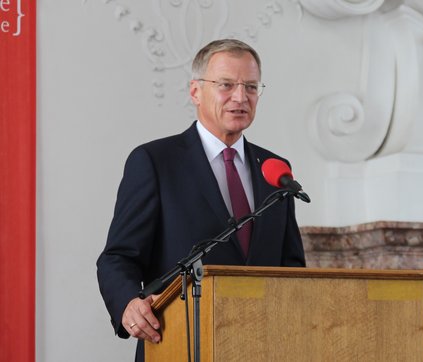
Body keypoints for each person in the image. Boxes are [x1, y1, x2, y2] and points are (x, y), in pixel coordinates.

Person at [96, 39, 306, 361]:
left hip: (261, 347)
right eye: (226, 85)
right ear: (195, 92)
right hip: (178, 342)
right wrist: (127, 303)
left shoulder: (274, 170)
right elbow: (118, 257)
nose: (240, 97)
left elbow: (291, 267)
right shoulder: (155, 162)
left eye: (251, 86)